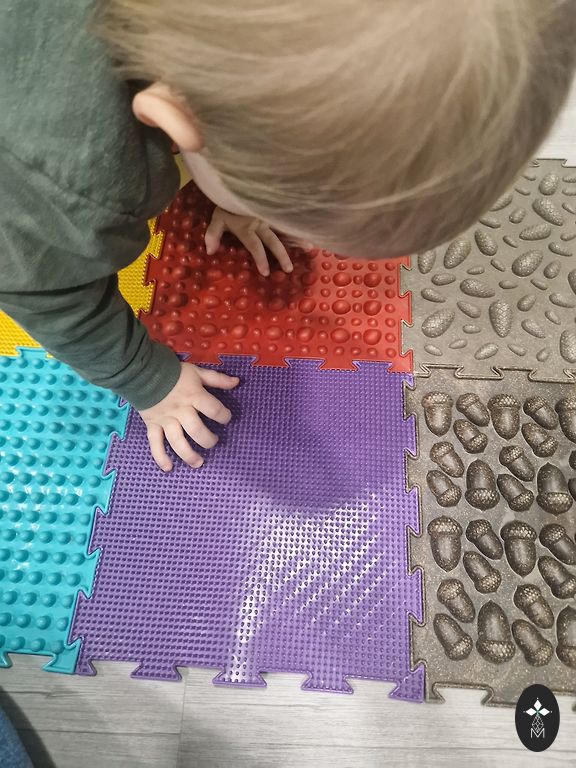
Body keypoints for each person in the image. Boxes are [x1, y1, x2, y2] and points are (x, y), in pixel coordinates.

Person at [1, 0, 575, 471]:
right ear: (179, 120)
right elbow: (44, 290)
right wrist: (145, 377)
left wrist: (238, 183)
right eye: (274, 203)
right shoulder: (70, 187)